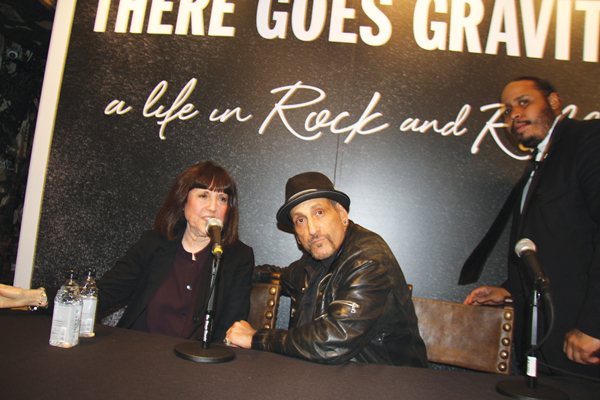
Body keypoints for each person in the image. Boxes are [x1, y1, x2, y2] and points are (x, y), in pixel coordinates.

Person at [0, 161, 254, 342]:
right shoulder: (153, 244)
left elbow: (231, 325)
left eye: (222, 199)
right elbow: (105, 292)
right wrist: (34, 297)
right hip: (135, 354)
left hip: (193, 364)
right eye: (203, 196)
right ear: (183, 201)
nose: (213, 207)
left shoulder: (237, 257)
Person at [463, 77, 600, 378]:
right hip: (543, 343)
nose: (514, 115)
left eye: (524, 102)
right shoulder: (540, 161)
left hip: (582, 345)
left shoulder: (587, 139)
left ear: (553, 101)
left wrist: (594, 326)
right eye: (508, 110)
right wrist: (509, 290)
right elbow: (556, 243)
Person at [226, 172, 428, 367]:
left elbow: (334, 341)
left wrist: (257, 338)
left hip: (389, 384)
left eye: (319, 212)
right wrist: (232, 268)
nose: (312, 230)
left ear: (341, 213)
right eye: (301, 220)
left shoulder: (368, 261)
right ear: (296, 234)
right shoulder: (310, 263)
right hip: (321, 377)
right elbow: (279, 276)